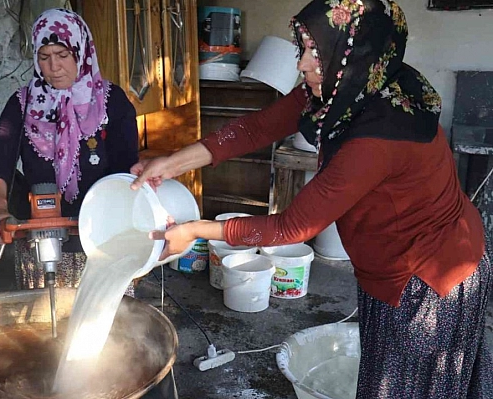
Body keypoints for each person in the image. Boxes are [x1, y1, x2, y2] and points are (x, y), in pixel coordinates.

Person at [131, 0, 493, 397]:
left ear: (355, 52)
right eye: (302, 49)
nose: (302, 65)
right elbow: (258, 128)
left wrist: (196, 231)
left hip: (426, 275)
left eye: (314, 54)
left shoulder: (378, 135)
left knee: (406, 388)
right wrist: (171, 163)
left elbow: (292, 226)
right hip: (397, 258)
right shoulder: (356, 83)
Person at [0, 8, 139, 292]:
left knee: (110, 324)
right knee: (42, 319)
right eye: (44, 57)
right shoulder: (22, 104)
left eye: (63, 55)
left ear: (81, 52)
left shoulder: (111, 103)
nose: (53, 67)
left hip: (104, 235)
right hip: (40, 241)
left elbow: (127, 174)